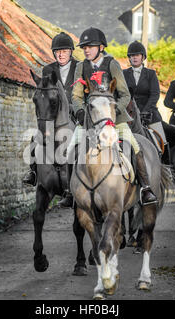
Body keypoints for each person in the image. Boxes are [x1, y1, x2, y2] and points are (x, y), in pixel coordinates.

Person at [69, 27, 157, 204]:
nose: (86, 49)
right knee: (71, 148)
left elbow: (125, 95)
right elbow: (76, 95)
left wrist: (113, 113)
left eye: (90, 46)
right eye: (84, 47)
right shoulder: (80, 66)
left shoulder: (112, 64)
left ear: (101, 47)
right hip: (90, 119)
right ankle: (69, 191)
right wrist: (79, 111)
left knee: (133, 145)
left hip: (114, 118)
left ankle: (145, 188)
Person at [22, 32, 78, 207]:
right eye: (57, 51)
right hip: (53, 116)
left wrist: (77, 109)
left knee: (85, 140)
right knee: (36, 138)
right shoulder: (48, 70)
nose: (61, 54)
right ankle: (33, 173)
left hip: (76, 113)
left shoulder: (80, 67)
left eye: (64, 51)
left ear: (70, 51)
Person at [123, 41, 170, 163]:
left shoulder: (150, 74)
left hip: (149, 114)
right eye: (132, 55)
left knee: (163, 141)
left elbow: (155, 95)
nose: (134, 57)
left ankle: (167, 168)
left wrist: (144, 111)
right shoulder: (124, 74)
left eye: (137, 55)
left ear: (143, 57)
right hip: (129, 114)